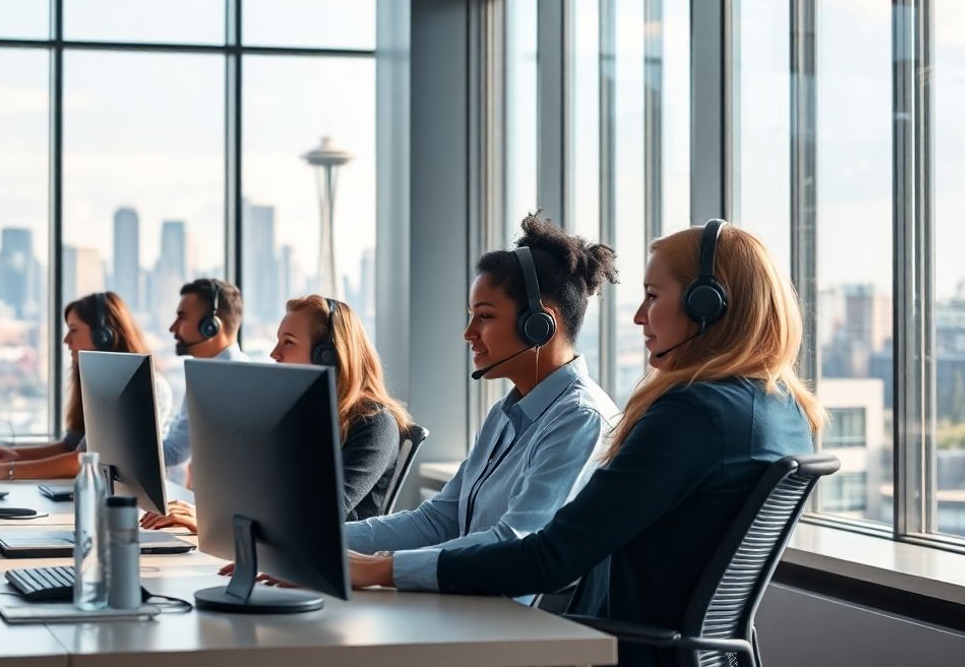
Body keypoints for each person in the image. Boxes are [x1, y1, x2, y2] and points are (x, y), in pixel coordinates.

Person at [348, 220, 827, 667]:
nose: (639, 316)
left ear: (707, 304)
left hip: (620, 650)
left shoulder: (691, 416)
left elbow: (549, 557)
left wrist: (380, 571)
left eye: (653, 296)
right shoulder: (784, 410)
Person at [339, 212, 621, 594]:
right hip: (469, 605)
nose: (469, 333)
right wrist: (322, 540)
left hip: (516, 627)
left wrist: (383, 569)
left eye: (484, 316)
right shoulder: (506, 414)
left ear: (540, 324)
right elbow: (439, 520)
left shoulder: (580, 419)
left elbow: (514, 541)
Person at [142, 295, 415, 532]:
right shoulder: (302, 415)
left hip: (333, 568)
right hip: (276, 554)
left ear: (327, 357)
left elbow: (323, 515)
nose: (274, 353)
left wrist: (214, 521)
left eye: (288, 342)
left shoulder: (374, 423)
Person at [0, 291, 171, 481]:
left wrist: (5, 471)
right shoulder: (101, 381)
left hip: (133, 509)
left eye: (74, 329)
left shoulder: (145, 387)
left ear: (104, 336)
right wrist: (13, 456)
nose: (66, 340)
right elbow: (71, 446)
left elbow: (85, 460)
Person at [158, 278, 249, 483]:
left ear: (212, 326)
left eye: (182, 317)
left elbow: (173, 453)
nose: (173, 328)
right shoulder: (211, 374)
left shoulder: (225, 380)